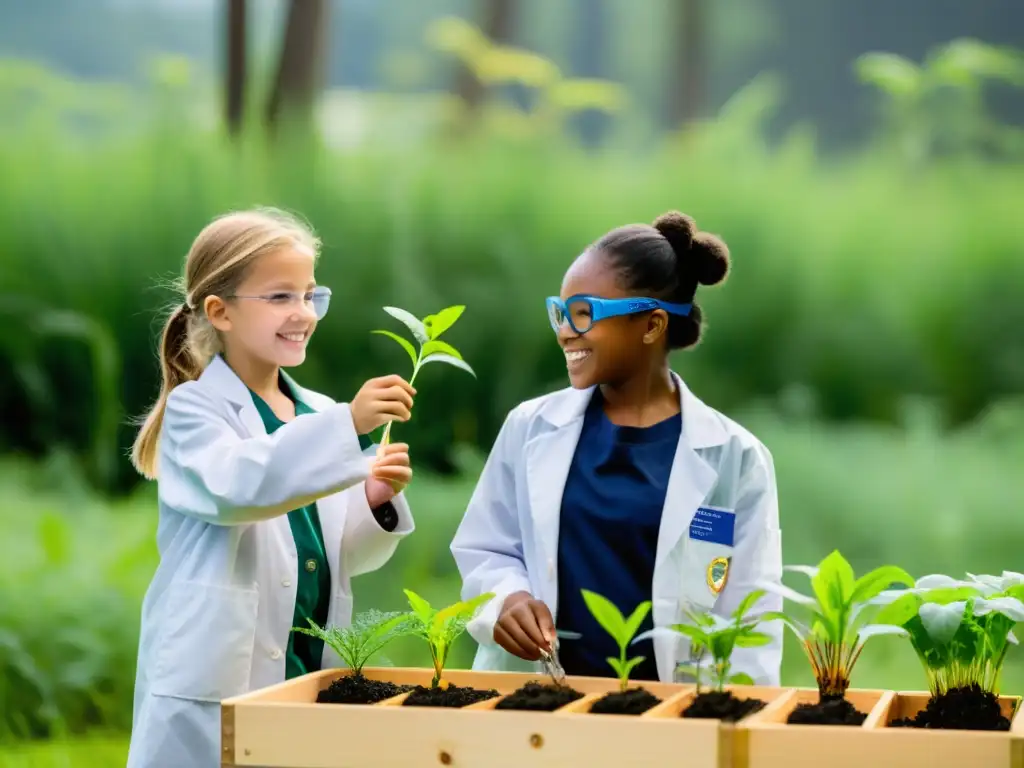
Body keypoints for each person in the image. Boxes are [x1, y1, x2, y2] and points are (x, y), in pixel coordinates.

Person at [126, 208, 418, 767]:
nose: (303, 314)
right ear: (220, 311)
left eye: (311, 295)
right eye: (281, 297)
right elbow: (239, 488)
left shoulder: (317, 411)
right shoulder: (196, 412)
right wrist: (349, 428)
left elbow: (332, 555)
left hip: (304, 659)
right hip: (214, 673)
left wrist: (372, 504)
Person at [450, 210, 783, 686]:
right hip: (538, 708)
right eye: (561, 313)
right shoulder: (530, 428)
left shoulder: (736, 458)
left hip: (669, 722)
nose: (566, 330)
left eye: (584, 314)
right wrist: (507, 600)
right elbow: (486, 548)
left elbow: (752, 612)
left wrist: (728, 728)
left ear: (651, 326)